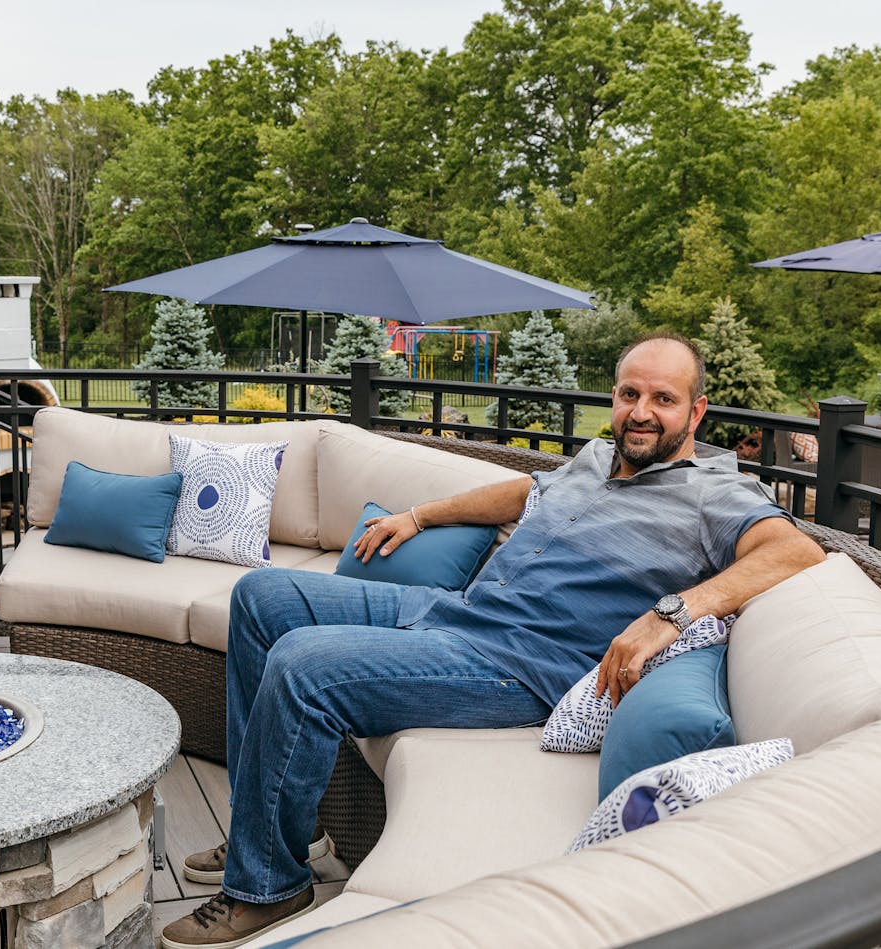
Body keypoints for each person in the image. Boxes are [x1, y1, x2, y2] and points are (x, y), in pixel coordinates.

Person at [160, 334, 826, 949]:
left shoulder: (714, 492)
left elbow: (795, 551)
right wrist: (417, 515)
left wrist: (674, 612)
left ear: (696, 410)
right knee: (262, 595)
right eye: (630, 394)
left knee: (303, 666)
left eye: (663, 398)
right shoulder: (598, 458)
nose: (642, 411)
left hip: (516, 664)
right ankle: (281, 828)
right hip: (457, 610)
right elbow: (522, 494)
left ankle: (269, 884)